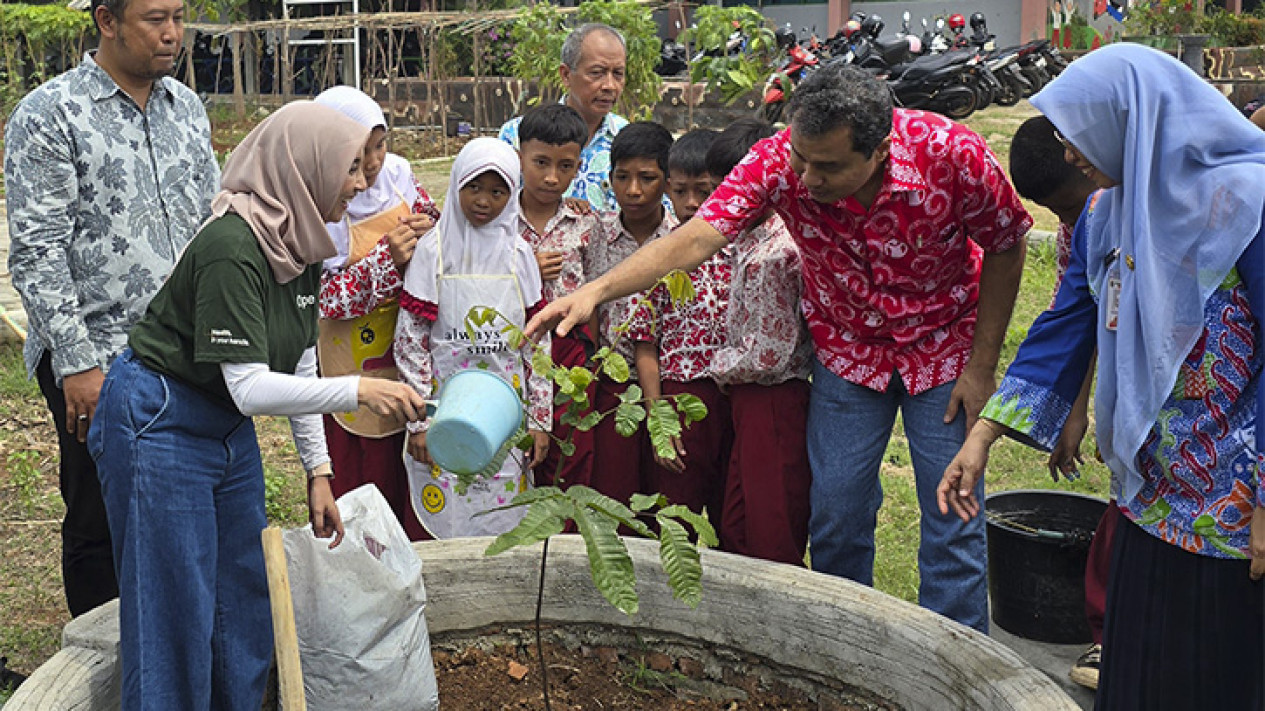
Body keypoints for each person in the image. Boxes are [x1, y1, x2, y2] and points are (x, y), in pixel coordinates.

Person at [527, 63, 1031, 633]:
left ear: (880, 150)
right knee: (836, 514)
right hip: (848, 354)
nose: (808, 179)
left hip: (944, 352)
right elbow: (694, 238)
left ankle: (958, 656)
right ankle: (847, 644)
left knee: (952, 515)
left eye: (829, 166)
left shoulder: (951, 153)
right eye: (801, 159)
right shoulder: (776, 161)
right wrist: (596, 289)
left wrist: (982, 365)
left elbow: (1008, 244)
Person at [937, 43, 1265, 708]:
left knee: (1222, 674)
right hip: (1148, 493)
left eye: (1075, 134)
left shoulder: (1247, 206)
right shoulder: (1105, 215)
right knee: (1144, 669)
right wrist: (984, 435)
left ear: (1134, 120)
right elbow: (1063, 327)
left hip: (1235, 513)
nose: (1067, 154)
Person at [89, 101, 427, 708]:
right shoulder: (233, 246)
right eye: (349, 167)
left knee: (241, 595)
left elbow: (298, 357)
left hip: (223, 426)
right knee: (175, 603)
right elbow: (249, 385)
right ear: (306, 169)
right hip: (160, 418)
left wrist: (318, 471)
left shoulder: (300, 240)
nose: (361, 181)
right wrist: (358, 389)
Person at [4, 0, 220, 618]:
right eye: (156, 19)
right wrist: (76, 365)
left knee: (179, 501)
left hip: (184, 354)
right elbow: (38, 250)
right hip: (99, 355)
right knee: (101, 513)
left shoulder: (187, 110)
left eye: (179, 17)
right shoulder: (50, 114)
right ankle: (105, 657)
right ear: (106, 20)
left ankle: (172, 638)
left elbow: (210, 223)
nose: (174, 34)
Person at [395, 138, 552, 539]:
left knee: (501, 511)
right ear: (456, 186)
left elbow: (538, 344)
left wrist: (540, 420)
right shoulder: (433, 252)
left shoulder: (519, 256)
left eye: (497, 191)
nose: (484, 201)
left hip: (507, 411)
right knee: (446, 506)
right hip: (444, 408)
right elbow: (411, 340)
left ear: (512, 194)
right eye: (474, 188)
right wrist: (418, 425)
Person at [1009, 114, 1111, 690]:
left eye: (1071, 206)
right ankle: (1109, 636)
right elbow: (1073, 321)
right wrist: (1075, 411)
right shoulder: (1085, 225)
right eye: (1057, 214)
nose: (1068, 222)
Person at [313, 85, 440, 542]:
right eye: (358, 150)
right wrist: (389, 260)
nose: (372, 162)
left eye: (380, 145)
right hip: (349, 358)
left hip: (407, 349)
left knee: (408, 469)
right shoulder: (318, 201)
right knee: (362, 478)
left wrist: (427, 230)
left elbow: (433, 218)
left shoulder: (401, 176)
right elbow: (325, 298)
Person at [706, 118, 814, 567]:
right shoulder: (748, 240)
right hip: (750, 397)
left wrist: (718, 367)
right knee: (738, 517)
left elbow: (767, 353)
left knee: (770, 524)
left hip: (771, 395)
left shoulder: (776, 252)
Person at [628, 128, 732, 522]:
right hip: (679, 396)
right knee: (672, 516)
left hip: (732, 399)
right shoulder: (660, 255)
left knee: (731, 515)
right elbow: (644, 344)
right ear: (668, 189)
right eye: (682, 191)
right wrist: (659, 418)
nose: (692, 203)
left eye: (705, 191)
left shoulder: (742, 250)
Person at [582, 122, 678, 505]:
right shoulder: (593, 235)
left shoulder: (681, 241)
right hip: (611, 386)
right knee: (614, 494)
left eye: (648, 178)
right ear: (609, 179)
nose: (634, 190)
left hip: (670, 384)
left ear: (667, 181)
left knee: (664, 496)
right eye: (623, 177)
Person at [515, 104, 601, 490]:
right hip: (512, 350)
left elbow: (599, 289)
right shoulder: (499, 223)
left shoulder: (586, 222)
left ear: (579, 164)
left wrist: (593, 355)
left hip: (570, 355)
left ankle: (564, 544)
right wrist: (523, 268)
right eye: (540, 163)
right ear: (519, 157)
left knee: (570, 458)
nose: (552, 177)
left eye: (565, 166)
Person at [499, 23, 628, 212]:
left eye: (618, 74)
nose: (610, 85)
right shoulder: (517, 135)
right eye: (597, 73)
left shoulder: (626, 140)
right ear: (566, 75)